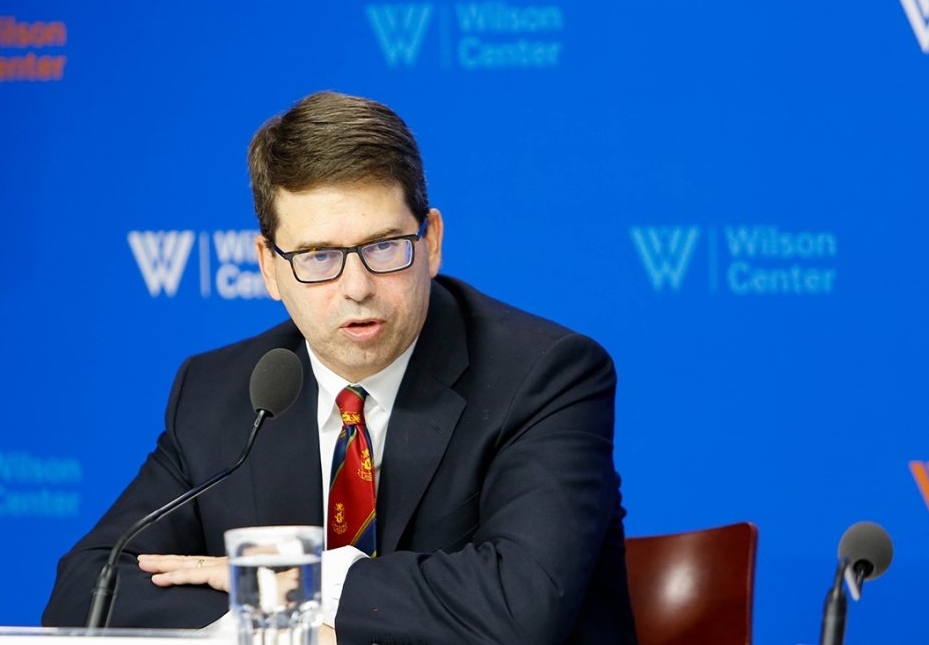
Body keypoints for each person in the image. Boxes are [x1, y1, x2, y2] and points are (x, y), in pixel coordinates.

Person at [41, 91, 636, 644]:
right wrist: (288, 633)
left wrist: (296, 584)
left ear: (430, 242)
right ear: (268, 268)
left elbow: (521, 604)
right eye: (319, 256)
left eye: (382, 247)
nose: (357, 287)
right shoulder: (219, 391)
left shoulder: (543, 376)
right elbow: (88, 590)